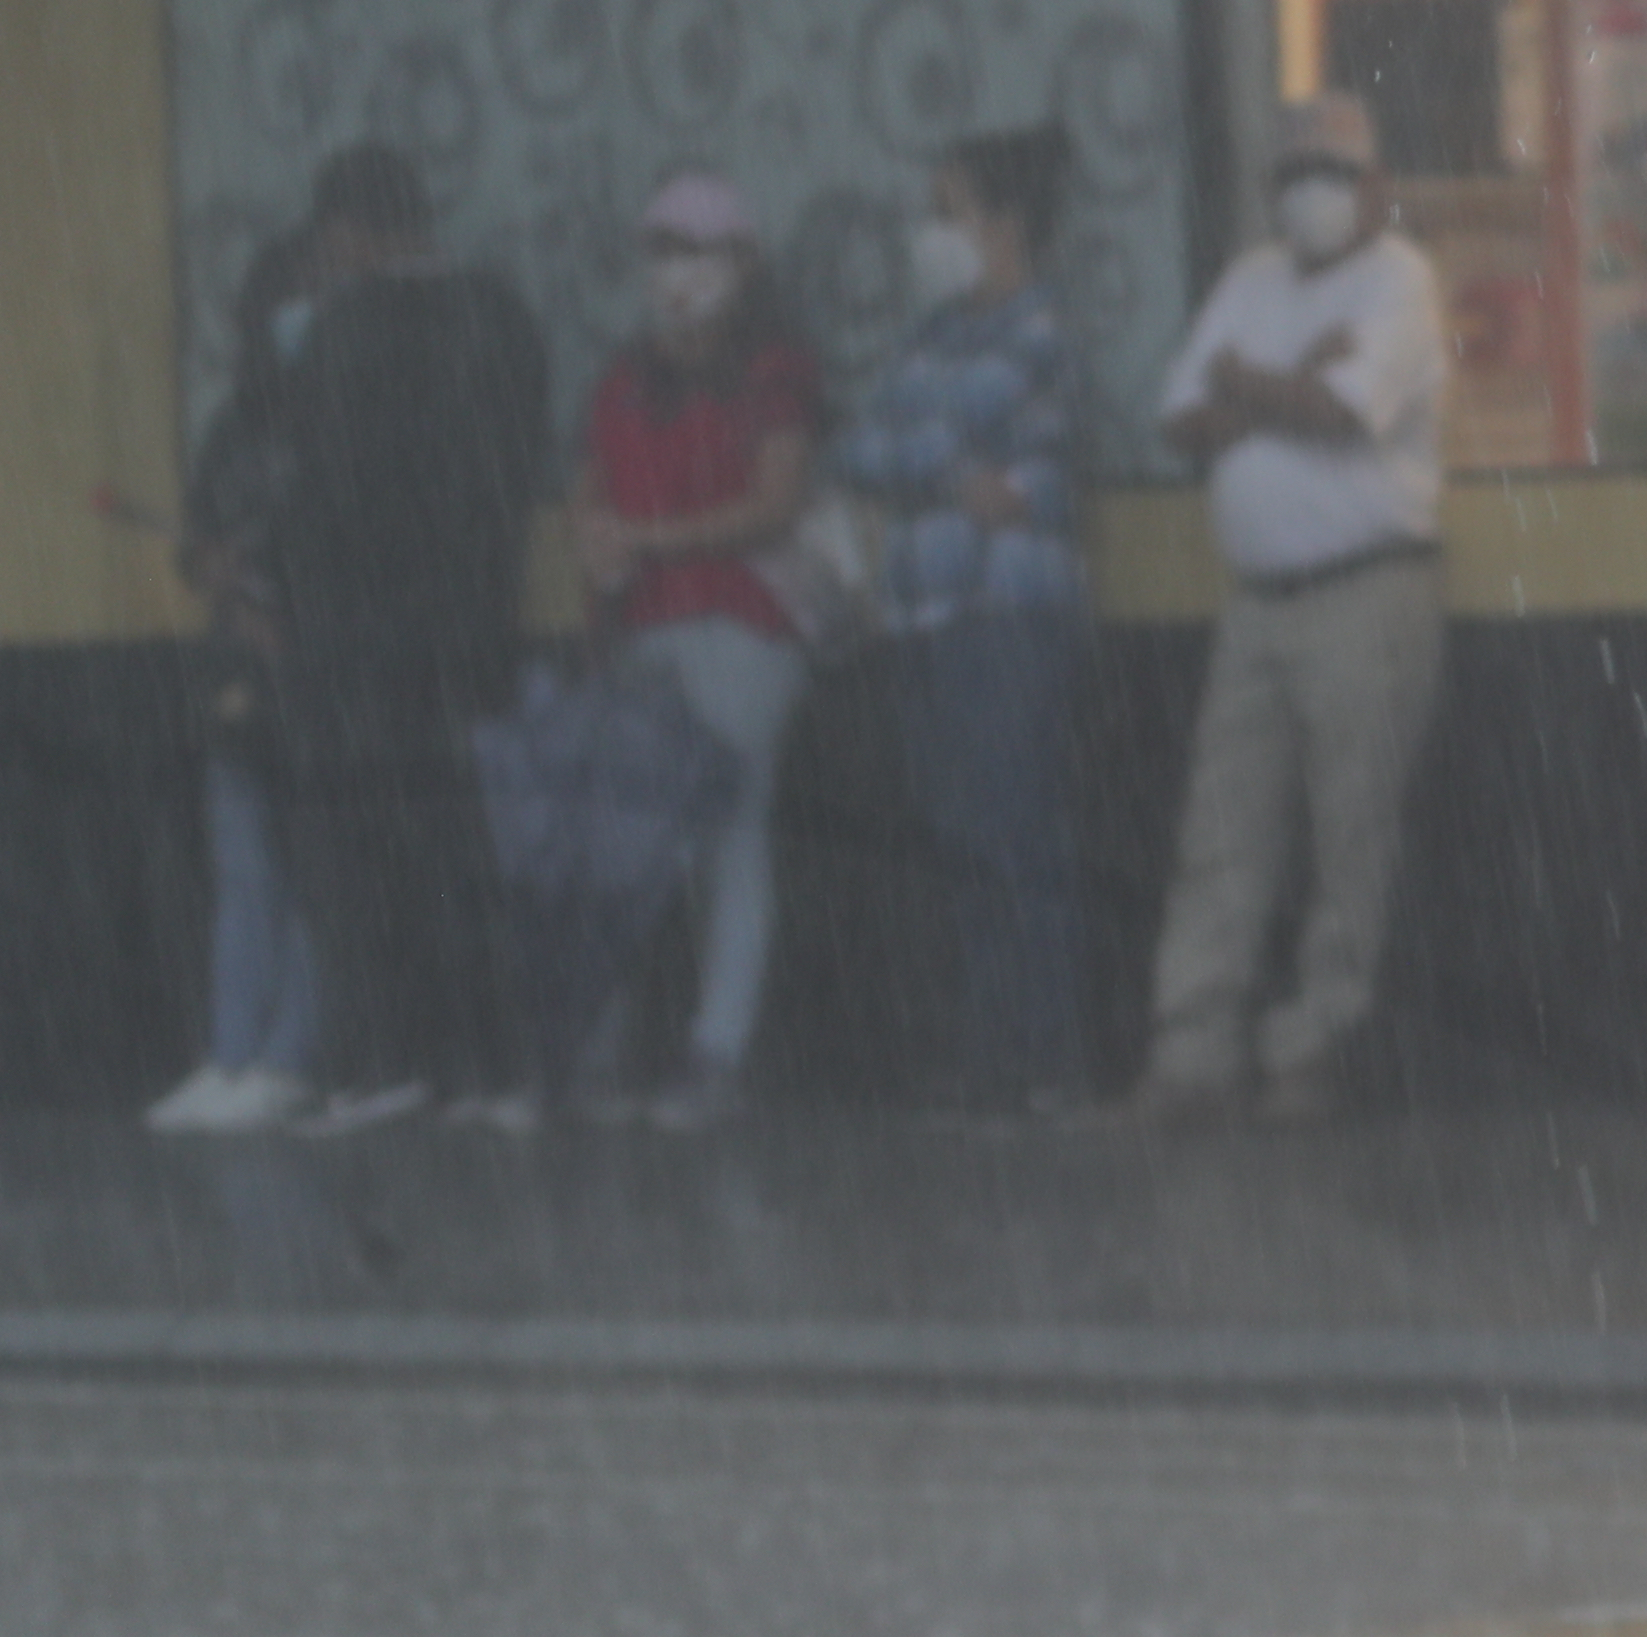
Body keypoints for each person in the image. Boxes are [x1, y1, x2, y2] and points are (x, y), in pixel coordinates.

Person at [1133, 95, 1448, 1129]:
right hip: (1258, 604)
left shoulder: (1402, 280)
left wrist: (1252, 382)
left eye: (1335, 171)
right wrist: (1286, 383)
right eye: (1295, 173)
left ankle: (1314, 1049)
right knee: (1223, 829)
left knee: (1350, 835)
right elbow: (1180, 422)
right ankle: (1195, 1053)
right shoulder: (1250, 279)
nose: (1312, 192)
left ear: (1378, 186)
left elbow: (1339, 414)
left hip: (1367, 589)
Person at [263, 145, 551, 1136]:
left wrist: (276, 578)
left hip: (354, 639)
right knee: (459, 848)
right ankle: (495, 1068)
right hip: (469, 631)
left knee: (358, 857)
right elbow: (514, 473)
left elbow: (321, 497)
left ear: (346, 233)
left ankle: (385, 1061)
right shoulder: (505, 318)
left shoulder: (345, 332)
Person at [835, 126, 1093, 1119]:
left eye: (947, 213)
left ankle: (1049, 1052)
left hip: (1004, 619)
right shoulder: (930, 336)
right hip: (923, 617)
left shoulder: (1042, 333)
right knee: (957, 839)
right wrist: (950, 472)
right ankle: (991, 1049)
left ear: (1006, 223)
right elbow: (860, 446)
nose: (928, 235)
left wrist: (923, 459)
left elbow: (917, 438)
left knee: (1013, 833)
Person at [568, 171, 825, 1129]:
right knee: (632, 839)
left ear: (743, 264)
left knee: (725, 831)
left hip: (741, 622)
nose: (677, 271)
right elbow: (589, 488)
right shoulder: (625, 376)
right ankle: (610, 1048)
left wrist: (650, 539)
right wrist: (594, 538)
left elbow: (776, 500)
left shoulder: (776, 372)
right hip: (641, 628)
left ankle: (716, 1052)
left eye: (698, 249)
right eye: (662, 249)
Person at [149, 231, 328, 1134]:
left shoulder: (351, 413)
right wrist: (210, 568)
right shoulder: (237, 420)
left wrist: (294, 612)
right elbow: (197, 538)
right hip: (237, 672)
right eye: (290, 297)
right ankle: (228, 1054)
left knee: (316, 874)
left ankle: (289, 1057)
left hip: (321, 671)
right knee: (243, 871)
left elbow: (353, 548)